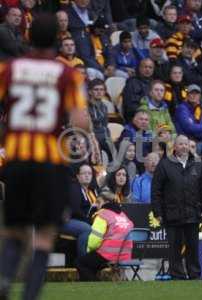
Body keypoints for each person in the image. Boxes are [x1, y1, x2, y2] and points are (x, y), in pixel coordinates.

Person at [0, 14, 89, 300]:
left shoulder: (10, 69)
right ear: (56, 41)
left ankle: (3, 278)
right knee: (43, 236)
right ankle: (28, 296)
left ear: (28, 37)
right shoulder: (67, 74)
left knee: (14, 231)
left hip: (16, 158)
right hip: (48, 163)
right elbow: (81, 122)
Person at [151, 135, 202, 280]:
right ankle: (177, 275)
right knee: (175, 248)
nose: (184, 147)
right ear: (175, 147)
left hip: (193, 213)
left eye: (186, 144)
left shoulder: (198, 164)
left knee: (193, 247)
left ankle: (194, 274)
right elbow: (156, 191)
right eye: (181, 144)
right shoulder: (164, 164)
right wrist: (158, 212)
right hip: (172, 214)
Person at [76, 191, 134, 281]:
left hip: (108, 255)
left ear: (104, 202)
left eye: (98, 202)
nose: (96, 205)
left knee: (80, 262)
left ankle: (94, 285)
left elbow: (95, 240)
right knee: (92, 263)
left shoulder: (103, 215)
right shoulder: (123, 215)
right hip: (124, 255)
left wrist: (89, 250)